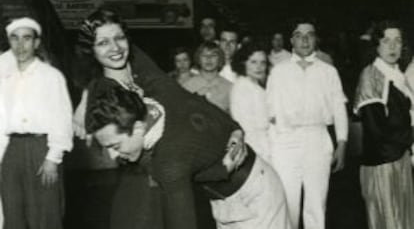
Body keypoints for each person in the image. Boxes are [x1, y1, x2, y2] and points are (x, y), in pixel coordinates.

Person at [75, 8, 246, 229]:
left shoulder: (138, 63)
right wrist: (219, 170)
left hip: (177, 188)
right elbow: (157, 163)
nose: (115, 48)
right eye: (103, 43)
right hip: (145, 192)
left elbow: (184, 99)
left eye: (119, 37)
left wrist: (233, 128)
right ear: (91, 50)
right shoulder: (103, 95)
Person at [86, 76, 292, 229]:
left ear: (139, 128)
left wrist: (235, 130)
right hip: (224, 200)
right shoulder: (149, 103)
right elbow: (101, 83)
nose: (113, 156)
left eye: (115, 146)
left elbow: (182, 222)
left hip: (255, 194)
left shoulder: (169, 162)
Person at [266, 19, 348, 229]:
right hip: (286, 142)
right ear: (291, 40)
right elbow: (270, 113)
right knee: (288, 205)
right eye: (299, 35)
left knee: (316, 205)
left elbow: (339, 109)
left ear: (316, 39)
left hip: (318, 140)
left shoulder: (329, 72)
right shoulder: (278, 71)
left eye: (309, 34)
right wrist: (275, 147)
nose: (304, 39)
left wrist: (342, 143)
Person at [0, 17, 73, 229]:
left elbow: (62, 118)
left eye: (26, 38)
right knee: (12, 212)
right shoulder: (4, 76)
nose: (20, 45)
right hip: (12, 149)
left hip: (41, 149)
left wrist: (53, 157)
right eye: (14, 39)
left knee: (45, 214)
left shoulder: (51, 76)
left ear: (37, 43)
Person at [354, 21, 414, 229]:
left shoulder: (399, 76)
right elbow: (376, 130)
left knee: (404, 221)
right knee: (388, 222)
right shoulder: (371, 76)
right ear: (377, 45)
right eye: (386, 40)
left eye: (397, 41)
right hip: (382, 165)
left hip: (400, 160)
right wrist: (410, 136)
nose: (392, 47)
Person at [230, 42, 271, 162]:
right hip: (255, 146)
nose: (259, 67)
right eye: (253, 62)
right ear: (243, 63)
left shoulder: (255, 86)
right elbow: (247, 126)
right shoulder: (242, 87)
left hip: (264, 143)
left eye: (262, 62)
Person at [183, 42, 232, 112]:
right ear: (198, 59)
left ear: (220, 59)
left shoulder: (229, 88)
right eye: (204, 55)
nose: (208, 59)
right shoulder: (187, 87)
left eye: (213, 55)